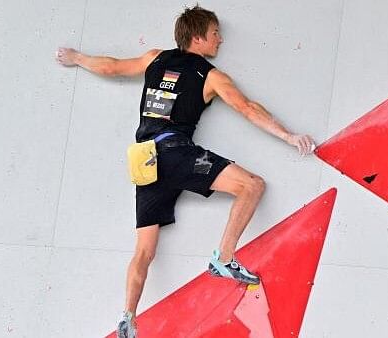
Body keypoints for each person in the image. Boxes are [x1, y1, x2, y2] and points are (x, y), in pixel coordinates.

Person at [56, 5, 315, 338]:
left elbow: (113, 67)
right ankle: (224, 258)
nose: (220, 40)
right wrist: (289, 136)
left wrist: (78, 58)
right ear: (197, 38)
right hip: (176, 153)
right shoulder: (210, 75)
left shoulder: (154, 58)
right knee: (252, 185)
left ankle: (128, 317)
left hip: (144, 162)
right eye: (215, 34)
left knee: (144, 251)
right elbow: (248, 108)